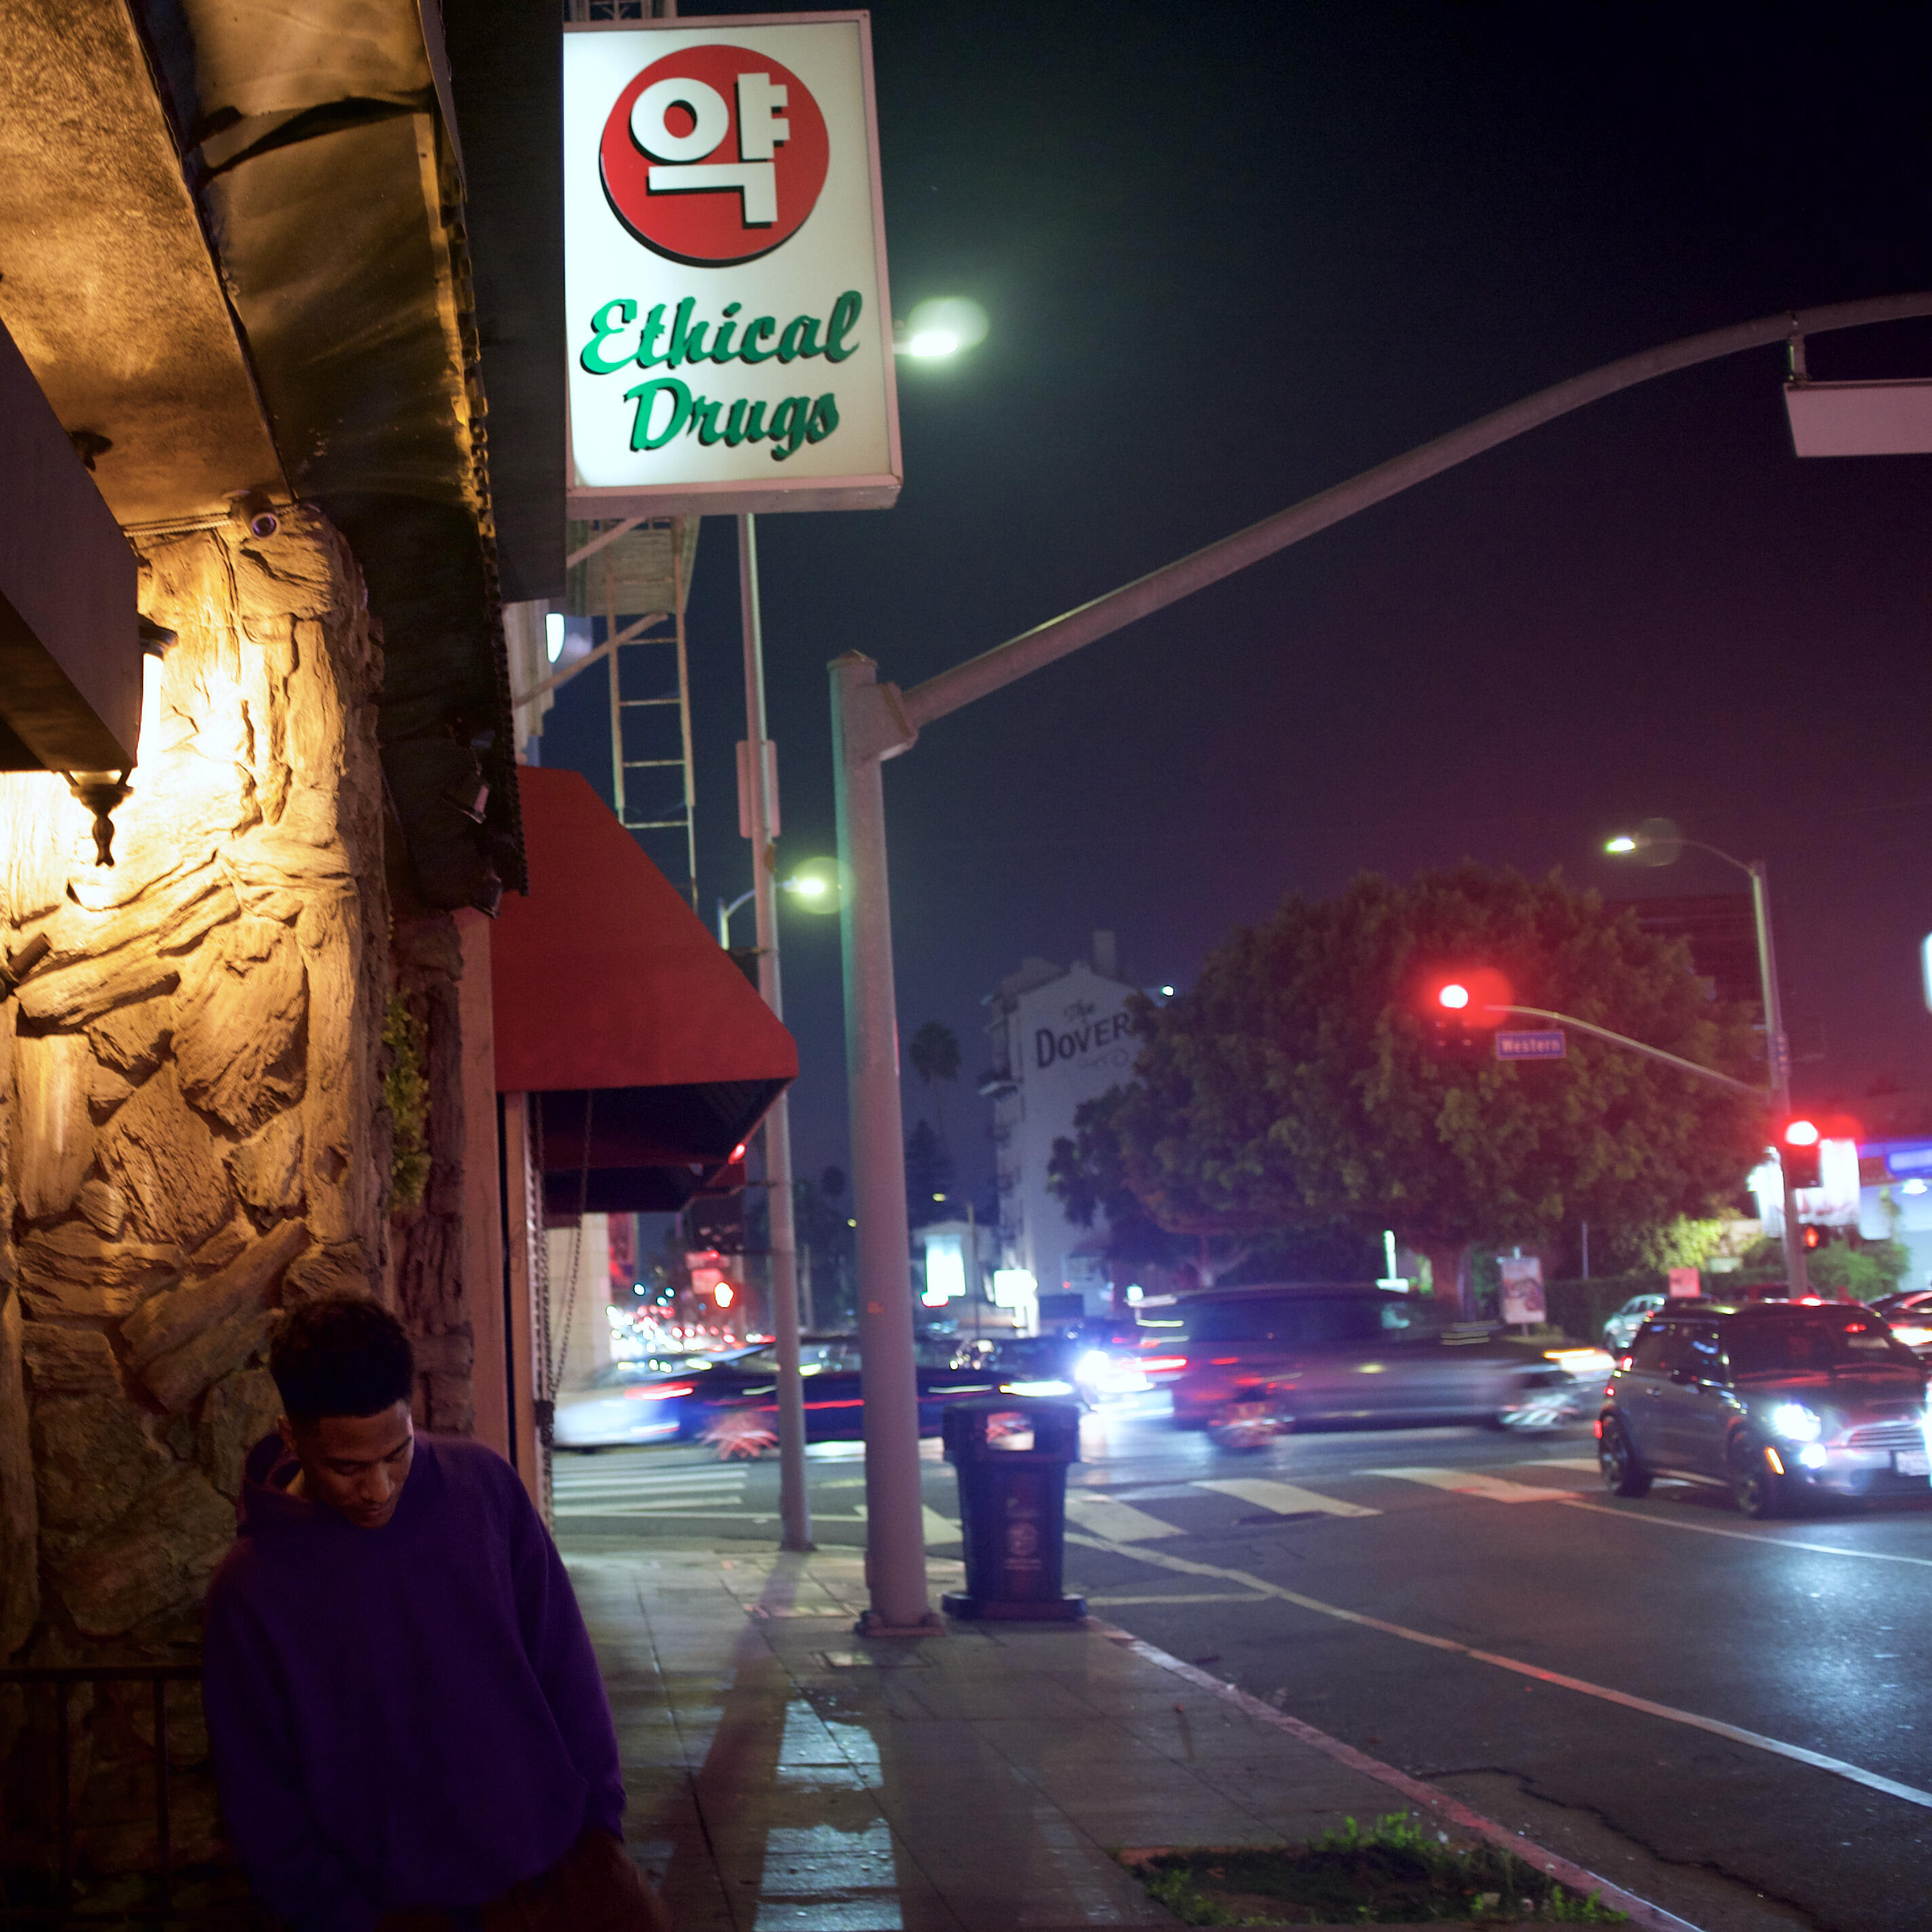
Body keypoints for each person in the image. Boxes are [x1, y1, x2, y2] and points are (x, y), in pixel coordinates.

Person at [201, 1293, 670, 1932]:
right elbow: (260, 1796)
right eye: (347, 1467)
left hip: (569, 1874)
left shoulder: (483, 1486)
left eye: (396, 1453)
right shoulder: (251, 1588)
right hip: (400, 1915)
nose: (377, 1489)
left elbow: (564, 1662)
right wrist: (346, 1917)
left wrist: (601, 1830)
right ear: (292, 1436)